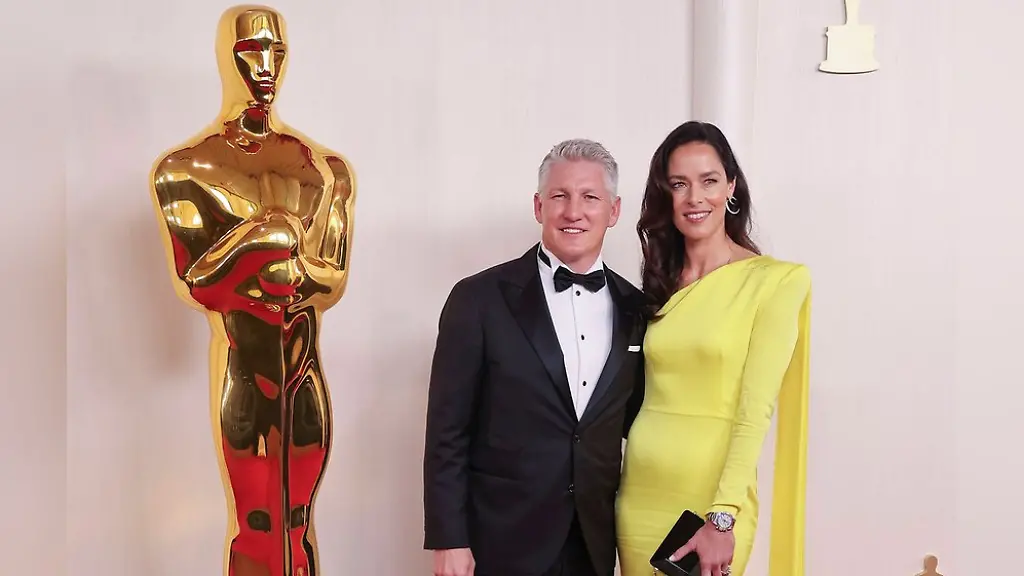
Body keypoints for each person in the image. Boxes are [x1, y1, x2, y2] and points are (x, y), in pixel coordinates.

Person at [423, 139, 647, 576]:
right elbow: (447, 431)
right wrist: (449, 538)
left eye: (590, 197)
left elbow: (638, 422)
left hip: (593, 542)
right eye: (560, 196)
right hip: (499, 540)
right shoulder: (478, 299)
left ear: (614, 211)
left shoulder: (636, 308)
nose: (573, 211)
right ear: (539, 206)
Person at [615, 121, 811, 576]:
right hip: (640, 493)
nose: (694, 197)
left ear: (731, 187)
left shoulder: (775, 282)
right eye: (679, 184)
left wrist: (723, 516)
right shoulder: (658, 283)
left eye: (708, 181)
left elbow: (755, 411)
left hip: (712, 502)